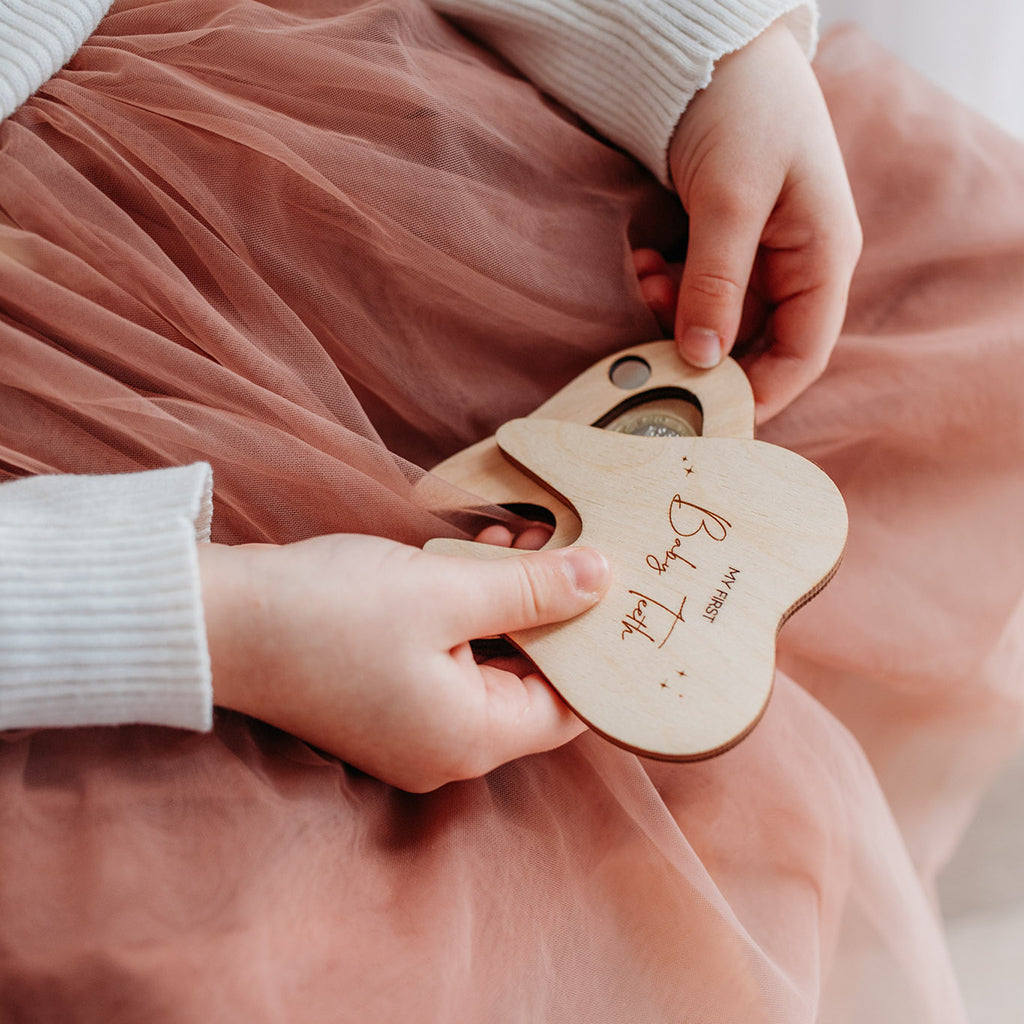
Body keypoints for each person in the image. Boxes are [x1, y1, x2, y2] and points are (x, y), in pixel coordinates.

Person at [3, 1, 1021, 1021]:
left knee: (974, 300)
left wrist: (700, 50)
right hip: (67, 565)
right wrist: (202, 616)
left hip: (307, 105)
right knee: (229, 957)